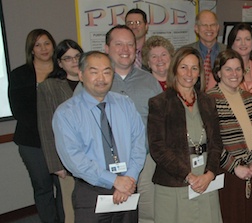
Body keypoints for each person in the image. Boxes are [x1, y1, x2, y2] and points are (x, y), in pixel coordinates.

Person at [53, 51, 146, 222]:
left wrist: (128, 179)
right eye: (94, 72)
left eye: (107, 71)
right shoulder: (66, 113)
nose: (101, 78)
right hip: (92, 191)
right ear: (81, 74)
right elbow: (73, 158)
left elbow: (139, 143)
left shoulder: (125, 104)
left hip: (128, 186)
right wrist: (114, 181)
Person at [148, 47, 223, 223]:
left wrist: (210, 174)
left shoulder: (208, 102)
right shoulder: (159, 103)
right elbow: (157, 147)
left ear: (200, 73)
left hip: (205, 180)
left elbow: (217, 143)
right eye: (184, 67)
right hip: (175, 181)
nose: (189, 73)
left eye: (194, 68)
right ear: (174, 70)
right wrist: (188, 176)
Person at [102, 25, 162, 223]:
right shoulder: (95, 81)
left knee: (149, 214)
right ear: (106, 48)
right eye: (118, 44)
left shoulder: (149, 81)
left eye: (130, 44)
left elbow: (161, 121)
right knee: (112, 216)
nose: (125, 49)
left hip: (145, 163)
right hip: (105, 168)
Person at [8, 29, 64, 223]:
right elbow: (19, 111)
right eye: (38, 45)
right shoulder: (20, 75)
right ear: (31, 49)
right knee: (43, 188)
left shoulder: (63, 72)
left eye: (47, 43)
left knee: (65, 188)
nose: (43, 49)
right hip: (32, 143)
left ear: (53, 45)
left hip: (63, 141)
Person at [207, 49, 252, 223]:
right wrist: (235, 167)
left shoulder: (249, 98)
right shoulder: (209, 100)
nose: (234, 74)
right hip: (227, 175)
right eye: (228, 69)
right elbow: (211, 142)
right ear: (218, 72)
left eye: (238, 69)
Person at [37, 39, 83, 223]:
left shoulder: (93, 82)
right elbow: (46, 127)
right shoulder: (49, 87)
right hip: (67, 158)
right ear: (60, 63)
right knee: (72, 208)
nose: (74, 61)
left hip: (94, 156)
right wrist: (56, 164)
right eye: (68, 58)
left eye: (78, 56)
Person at [183, 10, 226, 91]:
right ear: (196, 28)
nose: (209, 29)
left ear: (217, 27)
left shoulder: (228, 52)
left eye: (212, 25)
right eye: (204, 25)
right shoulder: (185, 53)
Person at [227, 22, 252, 106]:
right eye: (238, 39)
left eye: (247, 39)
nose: (243, 43)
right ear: (231, 43)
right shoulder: (222, 70)